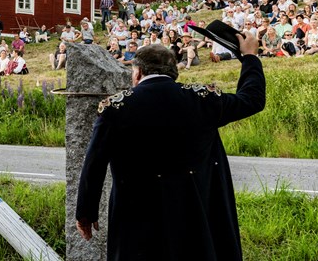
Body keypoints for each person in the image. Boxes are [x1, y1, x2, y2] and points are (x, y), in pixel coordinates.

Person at [75, 33, 265, 260]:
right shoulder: (203, 99)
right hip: (194, 214)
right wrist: (250, 56)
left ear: (137, 73)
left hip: (137, 217)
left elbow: (94, 163)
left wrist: (86, 212)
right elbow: (251, 99)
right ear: (174, 72)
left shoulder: (115, 108)